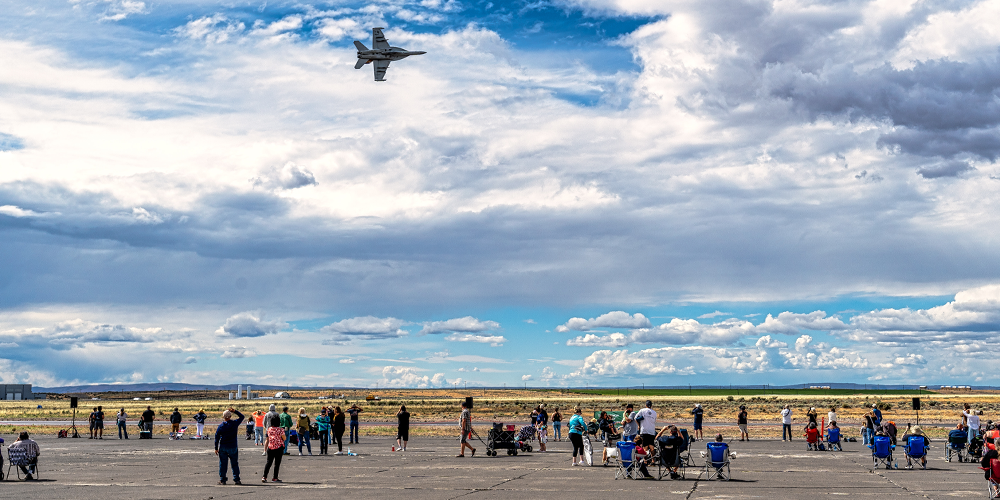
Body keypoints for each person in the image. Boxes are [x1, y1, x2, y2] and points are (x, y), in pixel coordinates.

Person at [214, 407, 245, 485]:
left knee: (223, 464)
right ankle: (236, 479)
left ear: (224, 417)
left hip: (223, 446)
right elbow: (242, 417)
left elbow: (216, 437)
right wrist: (235, 411)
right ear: (230, 416)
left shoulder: (221, 426)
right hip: (233, 446)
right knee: (234, 464)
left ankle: (222, 479)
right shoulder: (234, 423)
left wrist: (216, 448)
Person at [263, 415, 285, 482]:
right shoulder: (280, 429)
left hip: (270, 447)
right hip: (278, 448)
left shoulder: (269, 429)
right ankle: (275, 477)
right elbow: (284, 438)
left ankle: (264, 476)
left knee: (268, 463)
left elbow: (267, 438)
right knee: (277, 464)